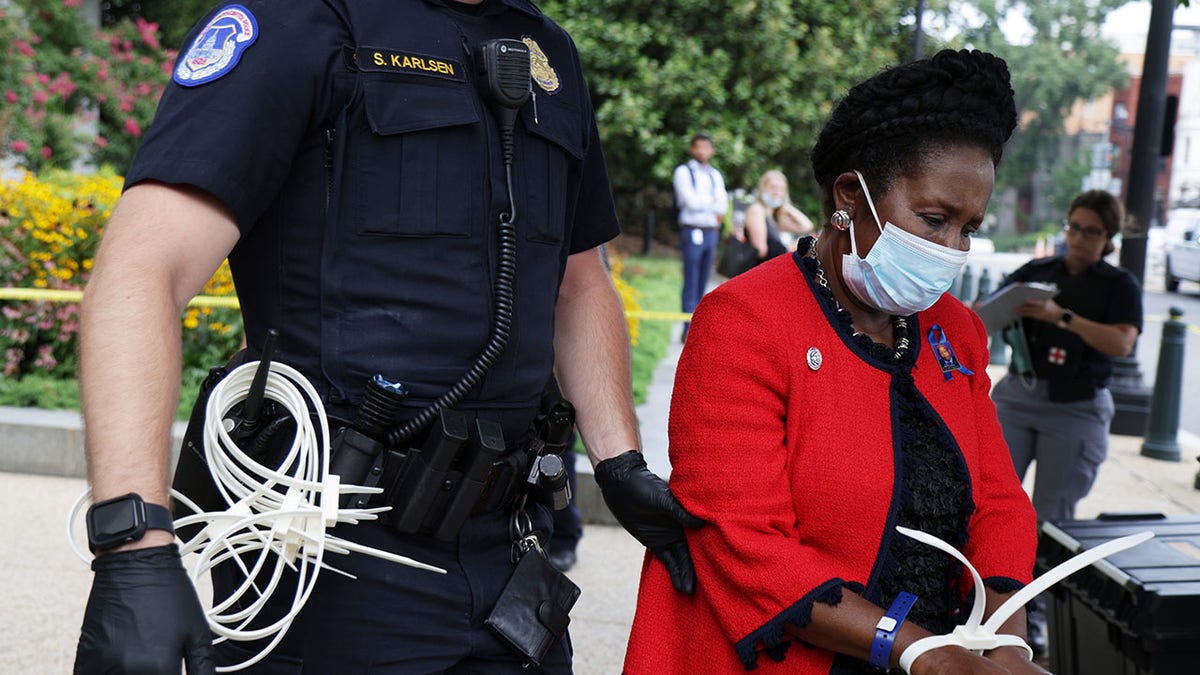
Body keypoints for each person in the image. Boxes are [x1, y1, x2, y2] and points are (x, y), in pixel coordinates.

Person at [73, 1, 702, 672]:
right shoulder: (297, 21)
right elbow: (142, 269)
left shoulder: (549, 52)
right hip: (327, 555)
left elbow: (579, 284)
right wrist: (132, 544)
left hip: (511, 554)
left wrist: (621, 463)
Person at [624, 49, 1046, 674]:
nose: (952, 249)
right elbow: (743, 540)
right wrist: (920, 652)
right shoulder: (744, 320)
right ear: (850, 195)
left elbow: (998, 500)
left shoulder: (956, 331)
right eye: (934, 220)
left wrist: (1002, 643)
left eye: (969, 229)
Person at [990, 190, 1141, 657]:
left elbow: (1123, 344)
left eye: (1089, 231)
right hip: (1020, 395)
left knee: (1050, 519)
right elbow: (984, 311)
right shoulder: (1039, 273)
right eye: (1073, 227)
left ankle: (1032, 619)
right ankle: (980, 603)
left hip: (1075, 407)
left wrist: (1063, 317)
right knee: (989, 502)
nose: (1077, 238)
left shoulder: (1118, 285)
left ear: (1108, 237)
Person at [675, 133, 728, 340]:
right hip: (692, 229)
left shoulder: (715, 175)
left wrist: (707, 202)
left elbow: (723, 204)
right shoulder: (684, 172)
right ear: (692, 149)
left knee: (704, 279)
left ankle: (699, 325)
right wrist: (711, 203)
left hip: (710, 231)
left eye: (706, 147)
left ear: (712, 150)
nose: (702, 152)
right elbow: (690, 201)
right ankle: (686, 326)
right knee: (691, 278)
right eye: (698, 147)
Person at [743, 169, 815, 257]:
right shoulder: (757, 210)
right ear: (763, 189)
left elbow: (807, 226)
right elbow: (760, 251)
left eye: (781, 189)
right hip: (759, 267)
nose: (777, 192)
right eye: (773, 187)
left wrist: (786, 205)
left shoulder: (776, 216)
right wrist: (788, 249)